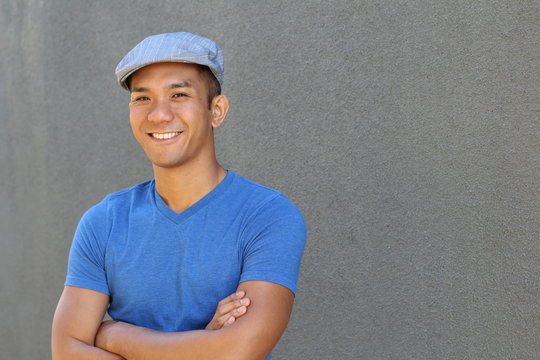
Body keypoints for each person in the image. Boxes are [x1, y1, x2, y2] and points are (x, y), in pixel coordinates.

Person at [51, 32, 306, 360]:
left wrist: (114, 334)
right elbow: (66, 351)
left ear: (217, 110)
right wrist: (204, 344)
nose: (158, 115)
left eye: (179, 94)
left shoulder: (268, 216)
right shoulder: (103, 222)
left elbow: (237, 352)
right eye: (143, 98)